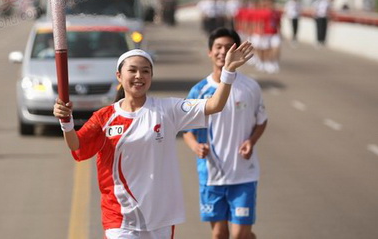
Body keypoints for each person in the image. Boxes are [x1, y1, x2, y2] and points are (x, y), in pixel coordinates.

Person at [53, 43, 254, 239]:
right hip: (120, 216)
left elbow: (214, 105)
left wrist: (227, 72)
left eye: (145, 71)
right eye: (132, 70)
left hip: (160, 217)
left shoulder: (168, 110)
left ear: (151, 76)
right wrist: (66, 122)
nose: (139, 76)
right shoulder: (104, 118)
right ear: (119, 76)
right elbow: (76, 145)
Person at [183, 28, 268, 239]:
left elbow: (262, 120)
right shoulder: (199, 91)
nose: (222, 52)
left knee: (239, 235)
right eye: (218, 47)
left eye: (227, 47)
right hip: (211, 174)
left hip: (243, 173)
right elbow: (187, 130)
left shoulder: (251, 87)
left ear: (237, 51)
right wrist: (195, 146)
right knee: (220, 234)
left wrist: (252, 140)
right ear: (209, 53)